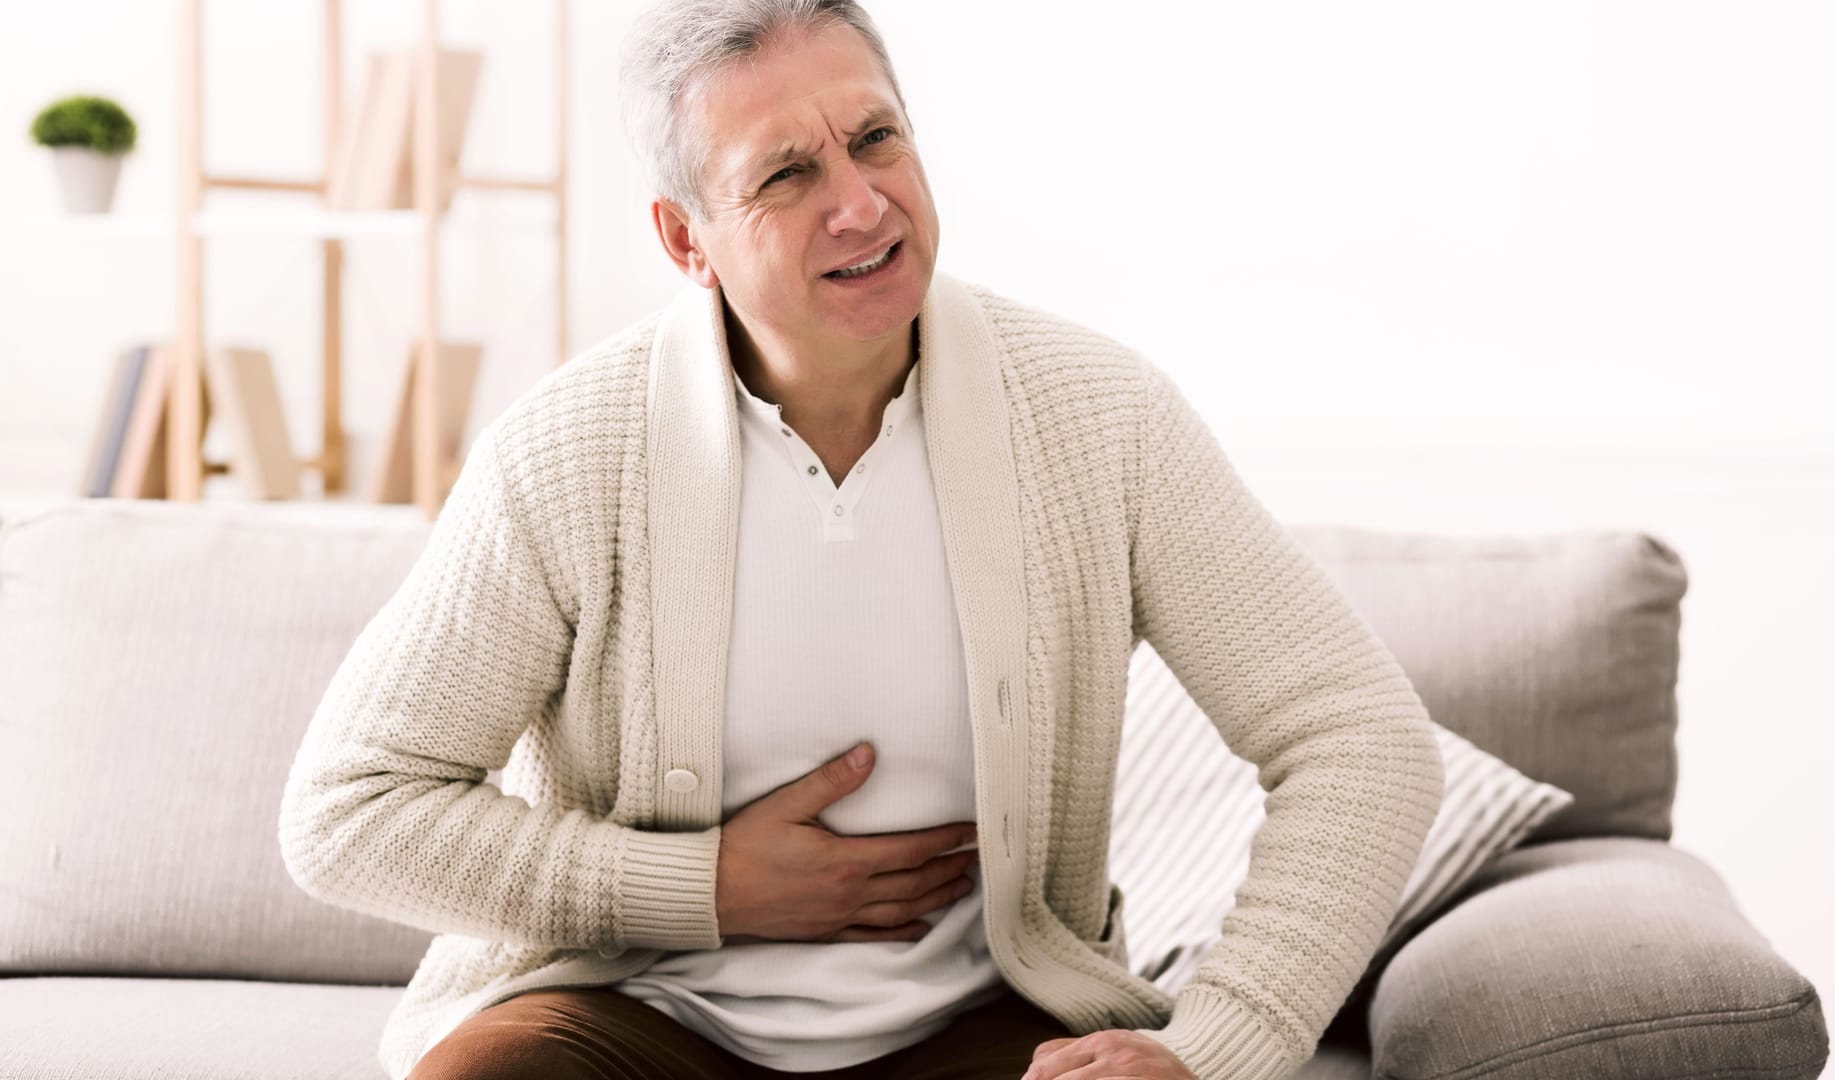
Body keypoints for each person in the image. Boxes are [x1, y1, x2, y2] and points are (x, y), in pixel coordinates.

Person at [275, 1, 1446, 1078]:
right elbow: (347, 811)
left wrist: (1218, 1047)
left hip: (984, 1028)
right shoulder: (568, 454)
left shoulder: (1101, 419)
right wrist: (701, 887)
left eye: (876, 139)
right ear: (688, 241)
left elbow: (1360, 741)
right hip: (642, 1010)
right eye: (787, 173)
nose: (860, 203)